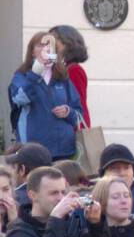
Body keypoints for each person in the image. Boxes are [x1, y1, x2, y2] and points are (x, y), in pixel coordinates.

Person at [8, 32, 81, 160]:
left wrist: (68, 112)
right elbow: (19, 99)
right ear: (32, 52)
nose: (45, 49)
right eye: (40, 46)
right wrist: (35, 75)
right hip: (34, 149)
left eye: (49, 46)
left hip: (63, 149)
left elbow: (79, 113)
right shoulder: (22, 76)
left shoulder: (62, 78)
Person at [49, 25, 90, 127]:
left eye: (54, 39)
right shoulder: (63, 68)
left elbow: (79, 104)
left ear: (68, 43)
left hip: (73, 129)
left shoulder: (73, 70)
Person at [8, 142, 52, 207]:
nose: (11, 172)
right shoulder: (61, 195)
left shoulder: (11, 198)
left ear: (22, 169)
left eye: (13, 167)